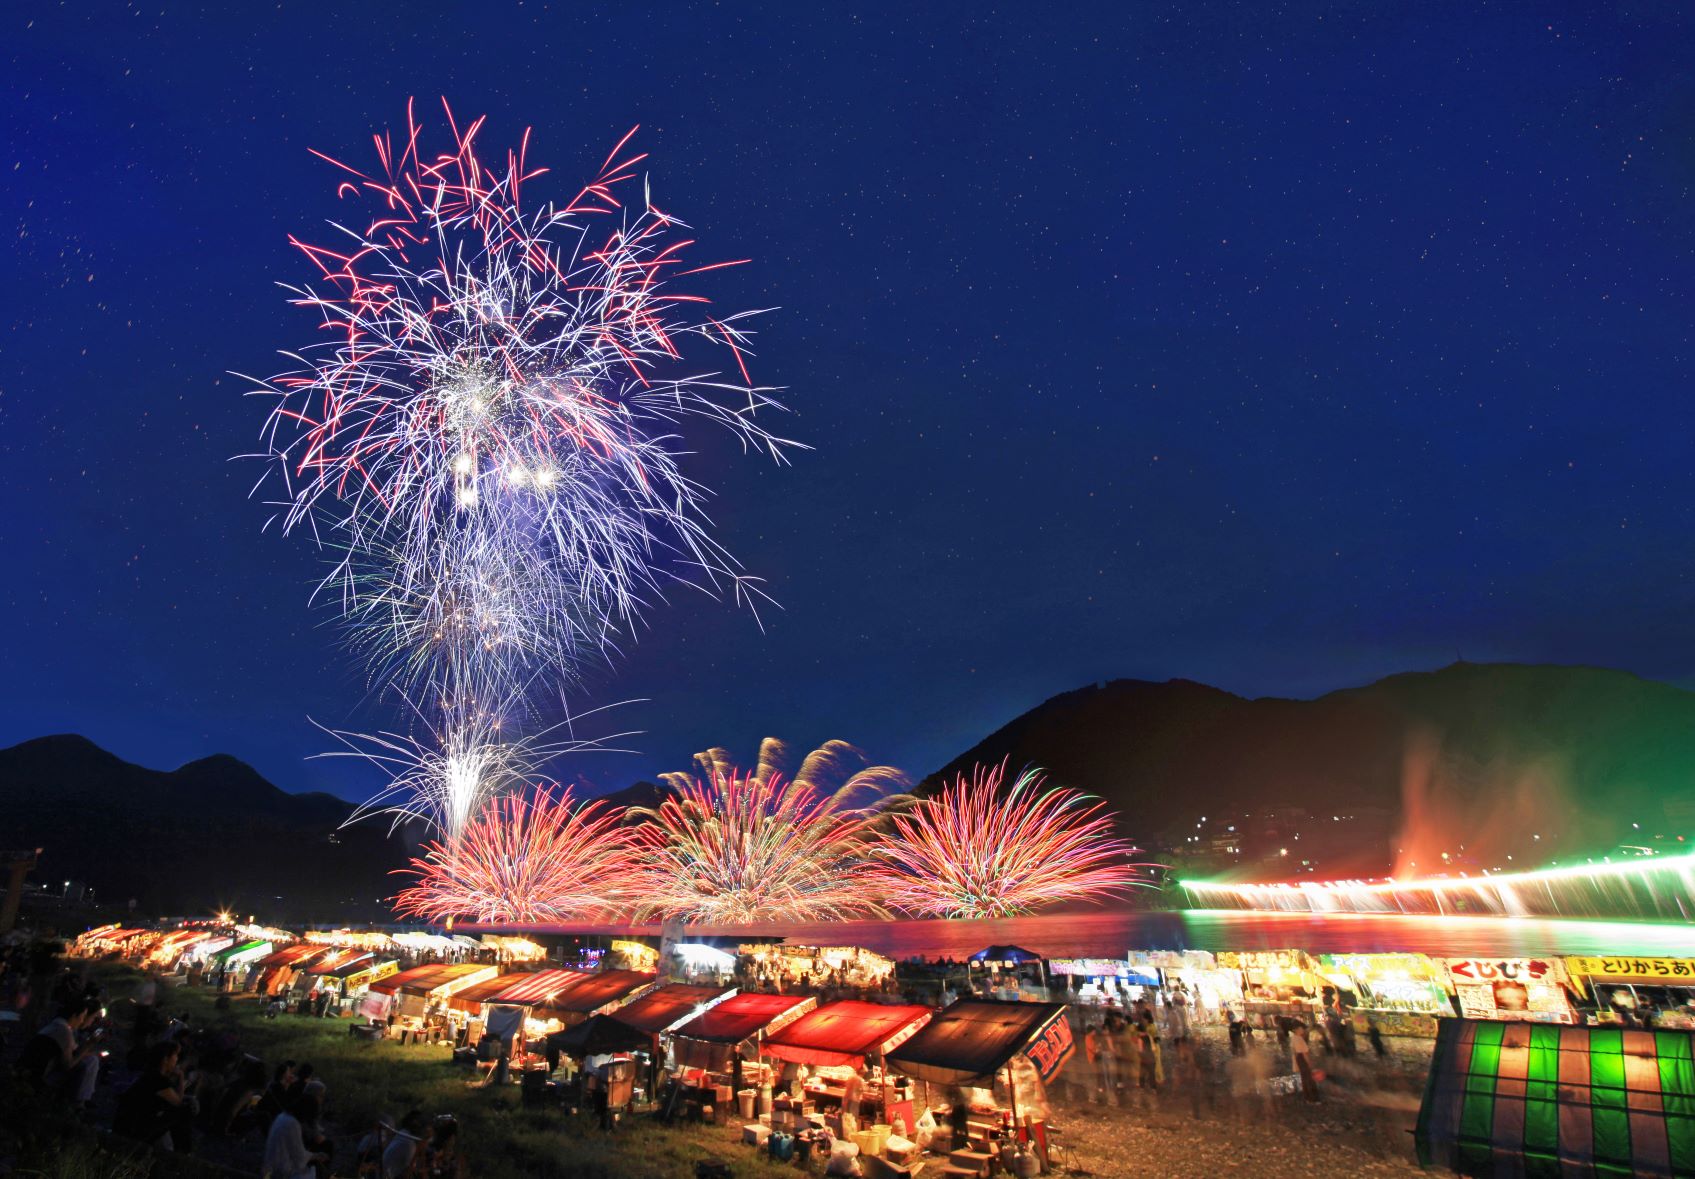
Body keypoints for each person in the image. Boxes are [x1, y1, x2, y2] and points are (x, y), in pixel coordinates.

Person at [16, 1000, 102, 1109]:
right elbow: (68, 1064)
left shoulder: (58, 1025)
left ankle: (80, 1101)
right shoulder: (62, 1030)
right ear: (74, 1015)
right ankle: (77, 1104)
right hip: (36, 1077)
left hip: (33, 1072)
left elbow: (73, 1053)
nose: (81, 1021)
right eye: (82, 1016)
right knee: (90, 1062)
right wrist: (88, 1045)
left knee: (90, 1060)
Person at [114, 1040, 188, 1150]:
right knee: (184, 1112)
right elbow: (178, 1102)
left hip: (131, 1123)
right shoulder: (158, 1080)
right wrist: (181, 1078)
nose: (177, 1059)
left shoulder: (151, 1075)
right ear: (165, 1059)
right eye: (175, 1055)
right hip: (135, 1127)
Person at [263, 1094, 329, 1179]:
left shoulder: (283, 1116)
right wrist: (316, 1156)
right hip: (280, 1169)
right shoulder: (292, 1124)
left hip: (271, 1163)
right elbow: (299, 1157)